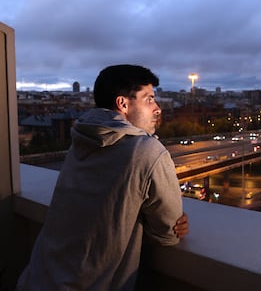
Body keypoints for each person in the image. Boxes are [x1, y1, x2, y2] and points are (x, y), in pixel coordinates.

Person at [17, 64, 189, 290]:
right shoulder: (147, 151)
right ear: (123, 104)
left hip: (34, 280)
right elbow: (168, 233)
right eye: (149, 99)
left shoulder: (80, 139)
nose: (157, 108)